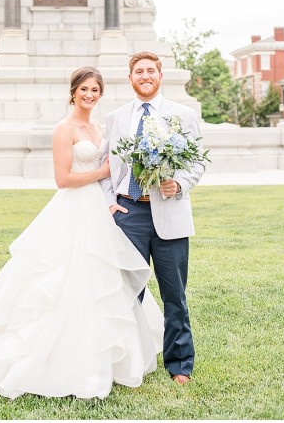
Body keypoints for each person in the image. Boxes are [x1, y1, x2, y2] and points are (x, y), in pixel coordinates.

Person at [0, 67, 163, 400]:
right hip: (73, 208)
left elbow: (111, 174)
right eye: (84, 89)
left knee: (101, 280)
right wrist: (102, 170)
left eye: (95, 90)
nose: (90, 95)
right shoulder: (63, 129)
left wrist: (113, 194)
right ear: (73, 92)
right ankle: (55, 357)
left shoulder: (100, 126)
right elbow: (63, 179)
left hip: (100, 208)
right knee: (64, 278)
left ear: (101, 94)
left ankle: (104, 355)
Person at [100, 51, 204, 385]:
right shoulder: (116, 118)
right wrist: (109, 202)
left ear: (160, 76)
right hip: (128, 213)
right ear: (130, 78)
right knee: (127, 290)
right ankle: (129, 359)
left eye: (151, 71)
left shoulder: (183, 115)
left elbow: (197, 163)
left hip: (169, 211)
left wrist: (180, 184)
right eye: (139, 71)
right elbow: (105, 167)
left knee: (175, 294)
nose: (145, 76)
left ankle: (180, 364)